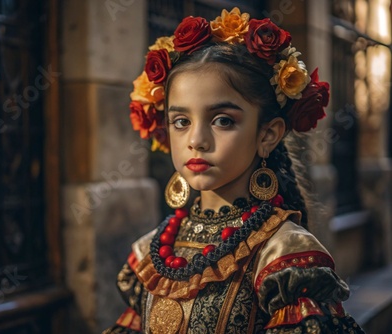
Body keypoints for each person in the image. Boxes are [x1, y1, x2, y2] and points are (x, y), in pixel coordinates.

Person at [104, 7, 365, 334]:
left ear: (267, 134)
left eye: (223, 120)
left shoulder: (282, 254)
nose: (196, 141)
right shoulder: (149, 252)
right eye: (181, 122)